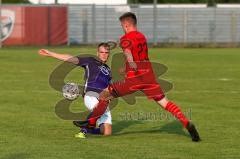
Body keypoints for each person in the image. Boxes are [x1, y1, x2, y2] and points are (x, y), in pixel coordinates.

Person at [86, 12, 201, 142]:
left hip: (134, 79)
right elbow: (141, 56)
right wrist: (127, 67)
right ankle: (187, 123)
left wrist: (130, 63)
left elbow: (128, 53)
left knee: (104, 95)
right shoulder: (142, 36)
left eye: (122, 25)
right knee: (165, 103)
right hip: (149, 77)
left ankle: (90, 124)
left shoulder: (125, 38)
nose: (122, 28)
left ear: (126, 24)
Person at [38, 42, 112, 138]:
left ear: (109, 54)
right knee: (100, 108)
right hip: (91, 95)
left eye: (106, 52)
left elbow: (110, 88)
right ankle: (84, 130)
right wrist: (51, 53)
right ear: (97, 53)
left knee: (107, 132)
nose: (104, 54)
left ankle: (89, 128)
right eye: (102, 52)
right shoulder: (90, 61)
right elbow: (70, 58)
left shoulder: (108, 70)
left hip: (103, 99)